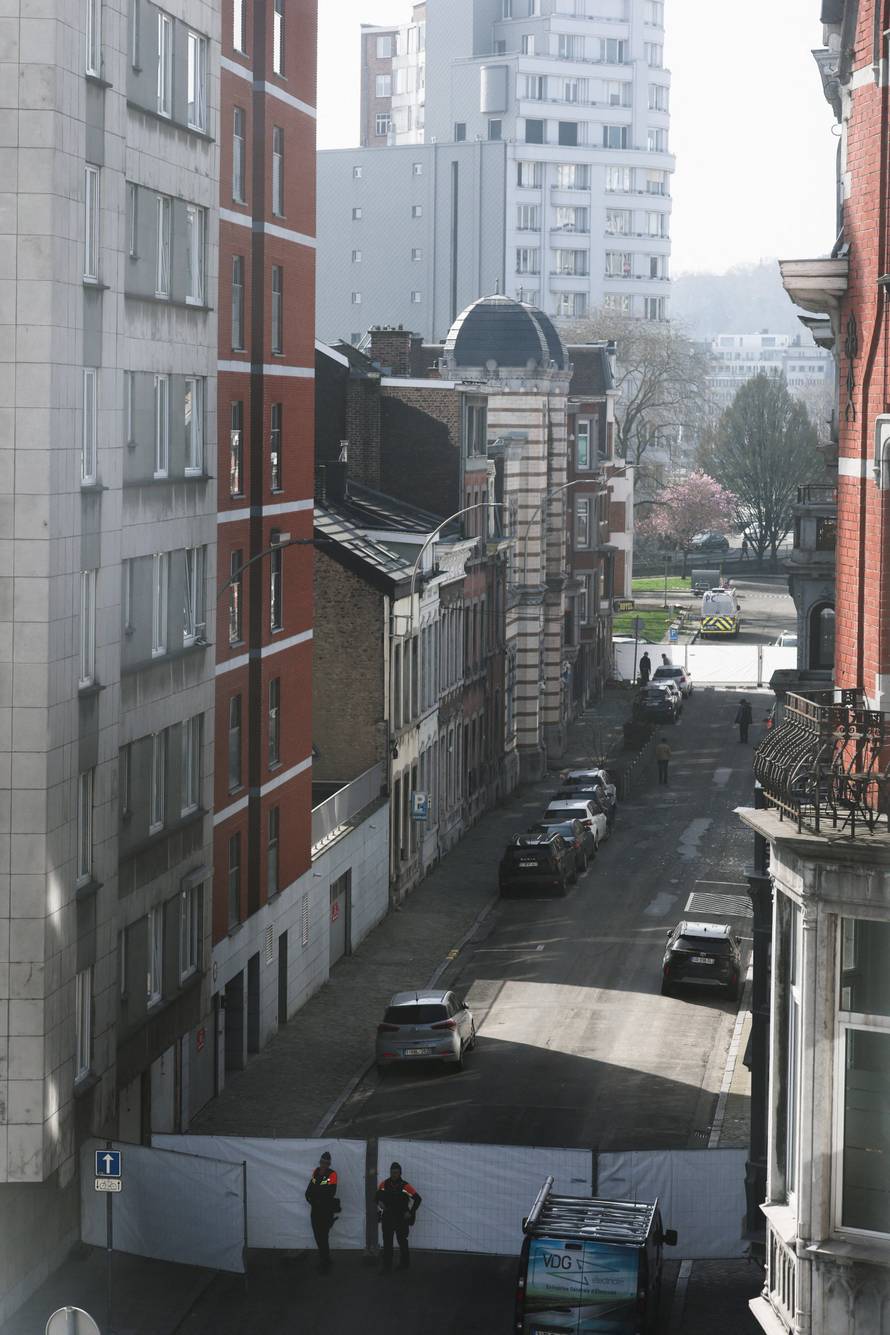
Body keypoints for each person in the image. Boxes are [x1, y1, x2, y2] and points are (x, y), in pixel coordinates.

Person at [376, 1162, 422, 1273]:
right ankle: (387, 1267)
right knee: (387, 1243)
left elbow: (418, 1199)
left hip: (401, 1218)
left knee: (402, 1242)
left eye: (396, 1172)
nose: (394, 1174)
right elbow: (376, 1196)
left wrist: (410, 1212)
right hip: (387, 1218)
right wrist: (379, 1202)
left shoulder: (405, 1186)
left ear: (400, 1173)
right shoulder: (384, 1184)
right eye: (392, 1172)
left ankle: (404, 1264)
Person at [305, 1150, 338, 1273]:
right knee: (317, 1236)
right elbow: (312, 1185)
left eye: (326, 1163)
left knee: (323, 1236)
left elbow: (330, 1191)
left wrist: (315, 1194)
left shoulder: (332, 1174)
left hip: (325, 1210)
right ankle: (325, 1259)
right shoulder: (316, 1172)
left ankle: (325, 1262)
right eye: (322, 1162)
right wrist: (308, 1195)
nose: (323, 1165)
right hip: (315, 1209)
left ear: (329, 1164)